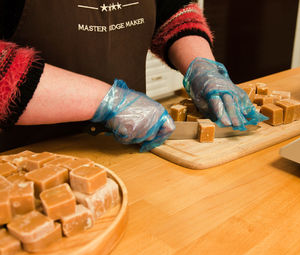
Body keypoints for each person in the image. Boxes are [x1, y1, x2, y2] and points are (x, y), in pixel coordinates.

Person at [0, 1, 266, 152]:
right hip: (26, 159)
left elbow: (171, 8)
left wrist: (202, 67)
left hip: (129, 147)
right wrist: (107, 101)